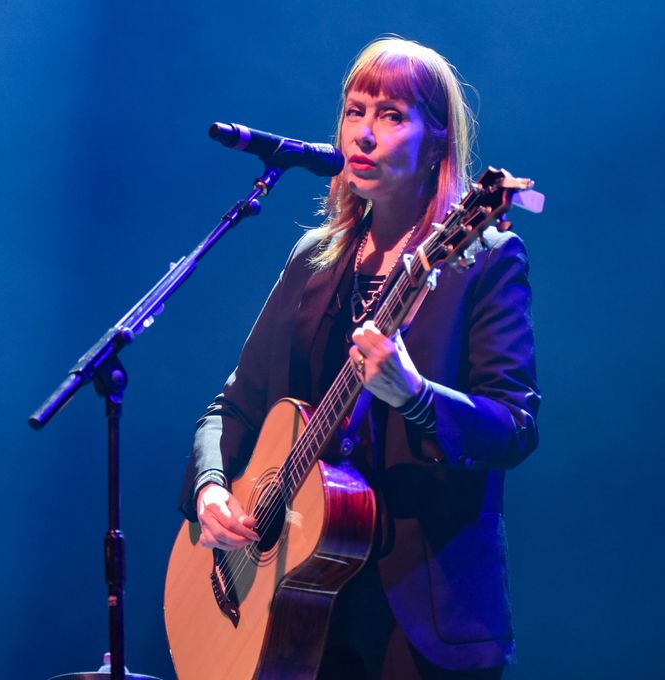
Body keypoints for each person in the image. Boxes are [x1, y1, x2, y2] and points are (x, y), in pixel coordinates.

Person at [178, 37, 539, 678]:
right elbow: (232, 405)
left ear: (436, 140)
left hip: (423, 612)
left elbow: (514, 426)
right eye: (354, 110)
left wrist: (415, 395)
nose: (363, 134)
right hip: (296, 598)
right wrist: (209, 489)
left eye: (391, 115)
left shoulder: (482, 258)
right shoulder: (315, 257)